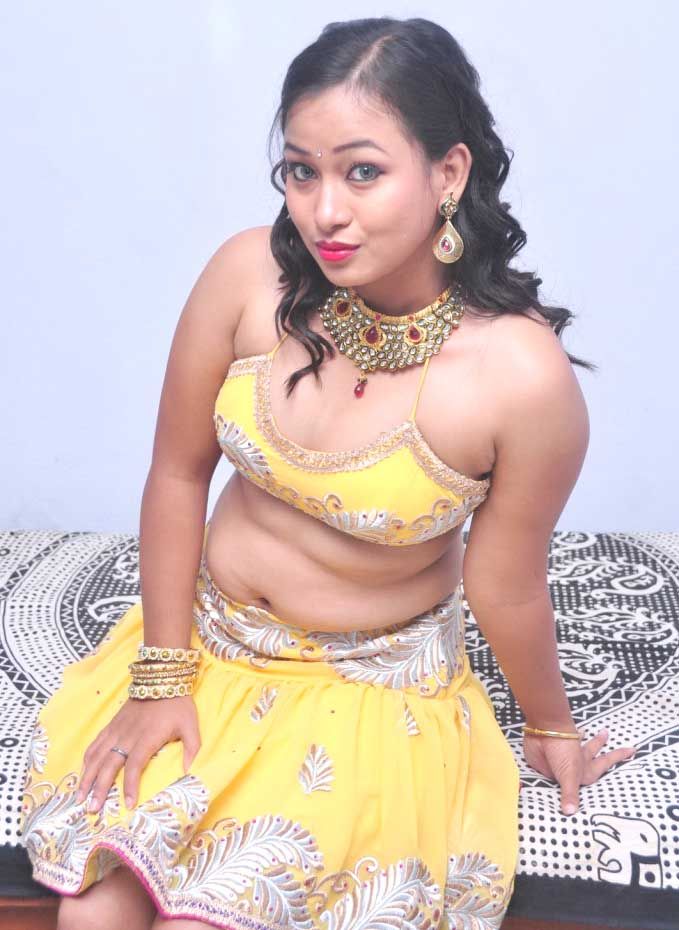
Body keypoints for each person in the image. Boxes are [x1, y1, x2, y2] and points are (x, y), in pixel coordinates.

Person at [19, 15, 637, 930]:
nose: (324, 212)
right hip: (200, 650)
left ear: (448, 173)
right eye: (300, 172)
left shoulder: (518, 379)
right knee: (90, 915)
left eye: (362, 172)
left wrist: (550, 728)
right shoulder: (246, 277)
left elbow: (504, 585)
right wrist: (162, 675)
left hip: (362, 696)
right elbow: (177, 475)